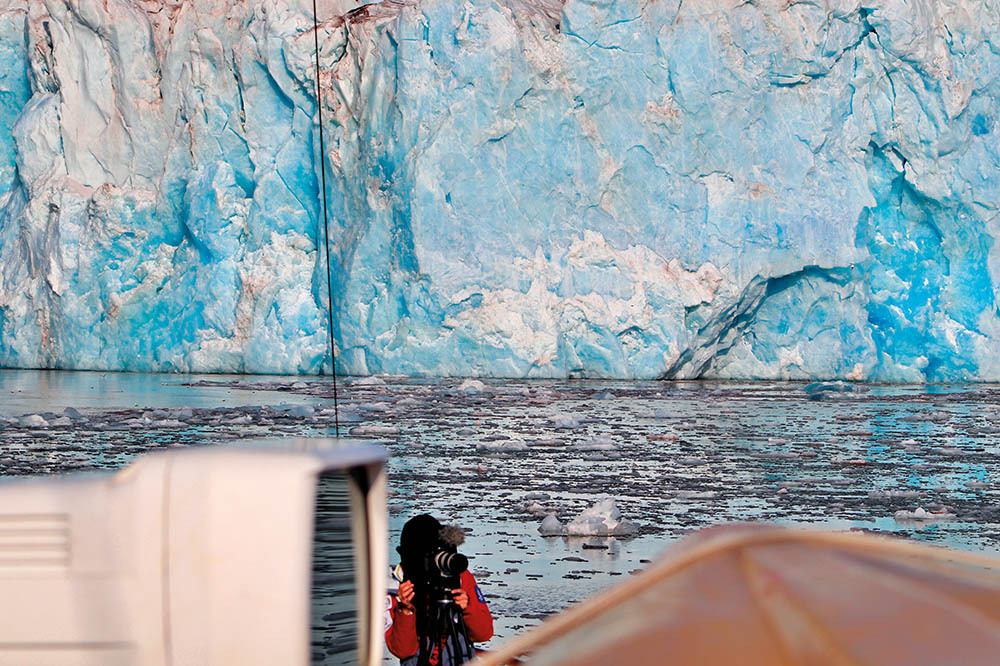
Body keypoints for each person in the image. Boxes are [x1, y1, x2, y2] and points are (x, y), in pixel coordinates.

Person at [385, 514, 493, 666]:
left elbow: (484, 633)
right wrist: (406, 611)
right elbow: (403, 651)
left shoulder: (458, 577)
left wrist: (468, 607)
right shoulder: (395, 586)